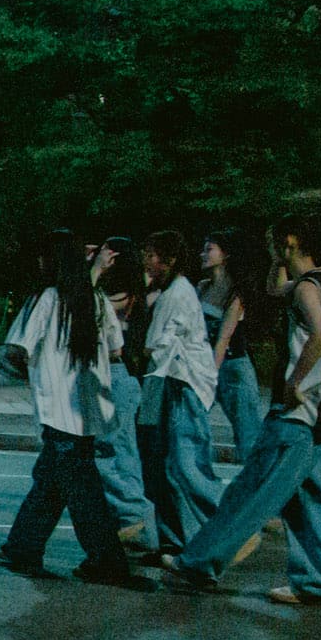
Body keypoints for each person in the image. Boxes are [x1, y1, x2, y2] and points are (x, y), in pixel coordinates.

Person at [167, 218, 321, 606]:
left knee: (248, 492)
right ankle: (318, 583)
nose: (268, 249)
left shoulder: (306, 289)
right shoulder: (319, 282)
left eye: (273, 243)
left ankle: (198, 563)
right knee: (308, 500)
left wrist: (295, 382)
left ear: (289, 242)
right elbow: (273, 289)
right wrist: (280, 261)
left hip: (298, 414)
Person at [0, 229, 142, 586]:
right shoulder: (97, 299)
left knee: (82, 492)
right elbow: (117, 349)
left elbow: (18, 348)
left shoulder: (47, 298)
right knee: (52, 482)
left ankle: (105, 562)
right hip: (87, 409)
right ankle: (22, 548)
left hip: (56, 408)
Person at [134, 230, 219, 561]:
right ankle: (171, 541)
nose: (145, 260)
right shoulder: (167, 291)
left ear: (168, 260)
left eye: (151, 255)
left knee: (185, 465)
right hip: (162, 382)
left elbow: (150, 347)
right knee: (157, 465)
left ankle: (226, 529)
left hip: (183, 385)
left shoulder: (177, 294)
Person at [194, 228, 273, 467]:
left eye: (209, 250)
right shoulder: (202, 287)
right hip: (207, 364)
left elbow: (224, 338)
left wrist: (209, 376)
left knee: (247, 434)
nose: (202, 254)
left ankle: (258, 482)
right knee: (192, 423)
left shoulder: (236, 292)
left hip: (233, 367)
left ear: (225, 255)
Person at [95, 238, 153, 542]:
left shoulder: (113, 298)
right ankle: (141, 530)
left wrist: (93, 269)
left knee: (102, 454)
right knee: (126, 456)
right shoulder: (137, 295)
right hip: (127, 379)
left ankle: (133, 513)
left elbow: (84, 302)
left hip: (113, 378)